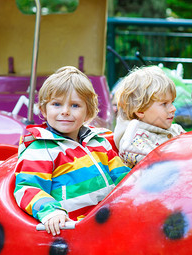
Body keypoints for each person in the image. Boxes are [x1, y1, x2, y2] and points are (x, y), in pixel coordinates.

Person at [14, 66, 130, 236]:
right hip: (71, 230)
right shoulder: (42, 148)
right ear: (44, 110)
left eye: (75, 105)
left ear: (88, 112)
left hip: (108, 224)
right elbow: (28, 187)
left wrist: (138, 190)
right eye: (56, 104)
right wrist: (51, 212)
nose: (65, 111)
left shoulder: (98, 142)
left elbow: (123, 177)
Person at [113, 65, 192, 168]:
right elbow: (161, 166)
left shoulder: (175, 130)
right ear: (140, 110)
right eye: (164, 104)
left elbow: (190, 151)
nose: (173, 108)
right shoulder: (134, 141)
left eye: (172, 102)